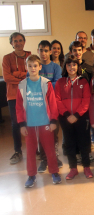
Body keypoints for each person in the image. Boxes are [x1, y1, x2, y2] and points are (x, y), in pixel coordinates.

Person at [16, 54, 61, 187]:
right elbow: (18, 107)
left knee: (50, 149)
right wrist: (22, 124)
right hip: (29, 124)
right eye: (29, 66)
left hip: (45, 123)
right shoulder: (22, 85)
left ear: (40, 67)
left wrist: (53, 121)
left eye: (35, 65)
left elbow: (52, 103)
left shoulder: (46, 83)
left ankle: (54, 172)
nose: (33, 68)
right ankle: (31, 175)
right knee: (30, 151)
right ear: (26, 67)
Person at [55, 55, 93, 180]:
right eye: (69, 65)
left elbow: (86, 100)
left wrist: (76, 115)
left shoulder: (83, 81)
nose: (71, 67)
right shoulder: (60, 82)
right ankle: (73, 168)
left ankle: (86, 167)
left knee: (84, 143)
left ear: (78, 66)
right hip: (65, 119)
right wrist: (67, 115)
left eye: (74, 65)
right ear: (65, 67)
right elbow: (57, 100)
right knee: (69, 143)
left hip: (81, 118)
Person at [2, 32, 31, 164]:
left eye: (20, 40)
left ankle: (34, 149)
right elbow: (7, 77)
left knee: (31, 122)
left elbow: (33, 74)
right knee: (16, 124)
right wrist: (23, 77)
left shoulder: (30, 56)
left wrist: (17, 74)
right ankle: (17, 151)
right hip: (13, 95)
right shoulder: (7, 58)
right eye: (15, 41)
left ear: (24, 42)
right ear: (11, 43)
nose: (18, 43)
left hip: (29, 93)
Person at [35, 40, 63, 173]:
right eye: (41, 50)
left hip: (53, 105)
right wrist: (48, 84)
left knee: (54, 133)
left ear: (50, 52)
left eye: (46, 50)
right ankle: (44, 159)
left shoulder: (56, 68)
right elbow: (32, 84)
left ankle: (55, 157)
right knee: (41, 133)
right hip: (39, 106)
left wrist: (43, 84)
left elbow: (57, 84)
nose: (43, 53)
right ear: (38, 51)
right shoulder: (35, 66)